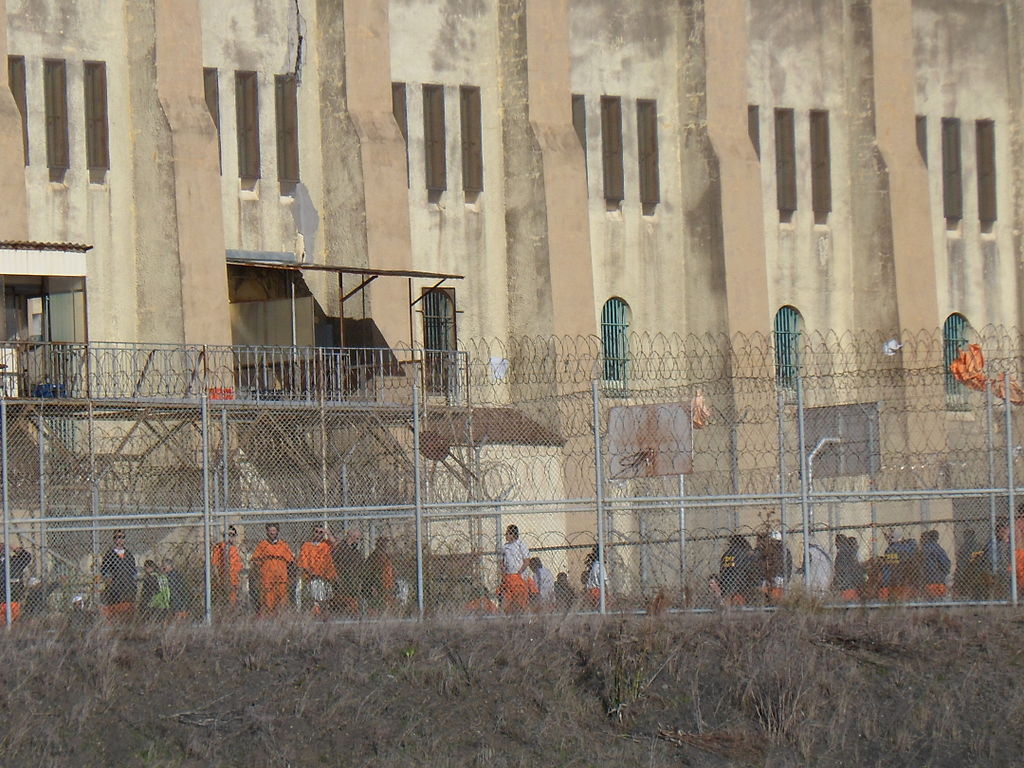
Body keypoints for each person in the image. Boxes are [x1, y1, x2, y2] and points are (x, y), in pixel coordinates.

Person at [249, 523, 294, 615]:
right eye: (270, 531)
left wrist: (291, 577)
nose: (272, 533)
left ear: (277, 531)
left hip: (281, 580)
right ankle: (267, 623)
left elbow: (290, 562)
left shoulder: (283, 545)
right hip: (267, 580)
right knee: (267, 603)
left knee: (282, 603)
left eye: (274, 531)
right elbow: (255, 562)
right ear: (267, 532)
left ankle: (281, 622)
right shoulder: (262, 545)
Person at [297, 525, 337, 615]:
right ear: (312, 533)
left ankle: (322, 615)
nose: (318, 534)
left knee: (325, 600)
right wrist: (311, 573)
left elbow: (335, 544)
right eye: (316, 532)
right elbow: (303, 562)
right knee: (315, 600)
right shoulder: (307, 545)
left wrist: (328, 532)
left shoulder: (326, 545)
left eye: (320, 532)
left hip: (325, 578)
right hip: (312, 578)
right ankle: (316, 615)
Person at [100, 530, 138, 620]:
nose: (120, 539)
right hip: (115, 589)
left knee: (128, 615)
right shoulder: (109, 554)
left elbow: (133, 571)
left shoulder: (129, 554)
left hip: (128, 588)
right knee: (116, 615)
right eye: (117, 537)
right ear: (114, 539)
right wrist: (109, 581)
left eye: (122, 537)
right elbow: (104, 570)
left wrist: (133, 584)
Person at [714, 534, 758, 606]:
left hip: (727, 584)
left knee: (728, 606)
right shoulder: (745, 553)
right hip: (743, 585)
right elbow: (751, 569)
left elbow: (723, 570)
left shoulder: (726, 554)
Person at [496, 524, 531, 613]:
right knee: (506, 601)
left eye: (507, 533)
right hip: (508, 577)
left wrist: (519, 573)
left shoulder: (521, 545)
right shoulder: (505, 547)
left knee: (521, 602)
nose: (506, 535)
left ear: (513, 534)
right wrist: (503, 571)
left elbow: (526, 561)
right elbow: (500, 561)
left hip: (518, 577)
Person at [879, 529, 919, 600]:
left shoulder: (891, 550)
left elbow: (888, 568)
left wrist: (884, 585)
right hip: (913, 583)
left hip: (897, 583)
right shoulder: (911, 548)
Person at [332, 529, 364, 615]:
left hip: (353, 584)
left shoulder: (356, 552)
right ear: (351, 538)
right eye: (357, 539)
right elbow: (334, 565)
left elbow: (361, 566)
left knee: (354, 606)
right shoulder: (340, 550)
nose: (358, 542)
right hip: (342, 584)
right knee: (344, 607)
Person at [212, 525, 244, 606]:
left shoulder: (235, 549)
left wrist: (240, 582)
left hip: (233, 582)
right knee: (222, 603)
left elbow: (239, 568)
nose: (230, 537)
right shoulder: (219, 547)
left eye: (233, 535)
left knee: (232, 604)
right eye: (228, 535)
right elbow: (215, 565)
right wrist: (218, 580)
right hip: (222, 581)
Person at [755, 530, 792, 602]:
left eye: (775, 541)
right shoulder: (781, 551)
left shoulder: (781, 552)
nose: (774, 543)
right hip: (775, 578)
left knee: (774, 597)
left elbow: (788, 566)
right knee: (772, 596)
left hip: (778, 578)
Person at [362, 536, 396, 614]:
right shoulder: (375, 556)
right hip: (377, 584)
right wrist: (373, 586)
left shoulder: (386, 555)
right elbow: (371, 573)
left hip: (386, 584)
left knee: (386, 603)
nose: (385, 546)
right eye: (383, 543)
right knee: (378, 605)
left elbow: (389, 570)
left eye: (386, 543)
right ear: (378, 545)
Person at [0, 543, 31, 623]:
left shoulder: (15, 561)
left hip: (13, 598)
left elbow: (27, 557)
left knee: (13, 621)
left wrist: (13, 547)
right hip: (2, 599)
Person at [832, 534, 865, 601]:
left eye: (836, 543)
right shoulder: (851, 554)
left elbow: (840, 571)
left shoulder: (842, 554)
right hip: (853, 583)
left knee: (846, 602)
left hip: (846, 585)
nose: (836, 545)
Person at [920, 530, 951, 598]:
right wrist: (943, 574)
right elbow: (946, 564)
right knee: (939, 602)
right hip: (938, 580)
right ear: (937, 538)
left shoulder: (921, 550)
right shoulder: (939, 549)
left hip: (926, 581)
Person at [581, 545, 607, 609]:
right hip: (597, 591)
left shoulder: (594, 565)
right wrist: (607, 594)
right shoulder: (600, 566)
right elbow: (604, 582)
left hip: (591, 591)